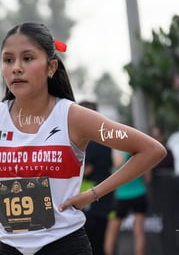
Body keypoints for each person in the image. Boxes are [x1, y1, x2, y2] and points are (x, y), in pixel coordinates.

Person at [0, 22, 166, 255]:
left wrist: (94, 193)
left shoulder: (74, 117)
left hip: (65, 244)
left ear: (51, 67)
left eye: (27, 58)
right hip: (11, 247)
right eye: (8, 60)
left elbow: (150, 149)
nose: (16, 68)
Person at [79, 101, 113, 255]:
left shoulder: (88, 142)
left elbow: (85, 170)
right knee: (101, 244)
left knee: (91, 245)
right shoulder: (106, 140)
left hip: (89, 201)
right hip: (104, 200)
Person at [104, 151, 151, 255]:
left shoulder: (119, 152)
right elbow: (148, 178)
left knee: (111, 234)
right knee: (139, 231)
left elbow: (115, 166)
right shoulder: (141, 153)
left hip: (122, 196)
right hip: (139, 193)